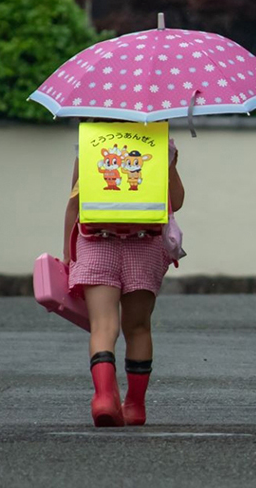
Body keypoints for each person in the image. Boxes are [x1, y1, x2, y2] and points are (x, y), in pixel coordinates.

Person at [62, 135, 186, 427]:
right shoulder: (161, 144)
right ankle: (135, 406)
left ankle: (104, 398)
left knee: (103, 326)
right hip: (144, 245)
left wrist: (69, 253)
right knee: (139, 327)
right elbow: (176, 202)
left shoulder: (91, 142)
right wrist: (171, 162)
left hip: (97, 241)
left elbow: (74, 202)